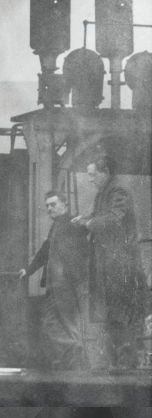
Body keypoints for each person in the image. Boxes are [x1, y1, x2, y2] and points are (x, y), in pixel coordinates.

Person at [71, 156, 146, 366]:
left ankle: (127, 371)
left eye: (93, 174)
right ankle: (118, 369)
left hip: (121, 269)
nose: (90, 179)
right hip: (109, 269)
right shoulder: (104, 194)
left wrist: (89, 222)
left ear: (105, 172)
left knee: (121, 319)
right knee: (112, 319)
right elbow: (99, 217)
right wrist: (84, 219)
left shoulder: (117, 191)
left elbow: (115, 219)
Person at [20, 190, 91, 369]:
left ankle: (78, 367)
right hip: (55, 287)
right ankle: (71, 364)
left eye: (53, 204)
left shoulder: (73, 225)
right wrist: (28, 271)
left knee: (68, 326)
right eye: (47, 206)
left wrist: (76, 281)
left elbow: (83, 255)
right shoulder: (57, 226)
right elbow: (45, 251)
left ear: (64, 204)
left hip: (66, 287)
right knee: (51, 324)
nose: (49, 209)